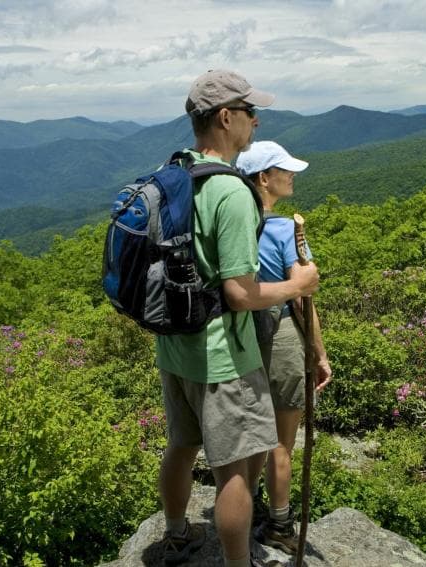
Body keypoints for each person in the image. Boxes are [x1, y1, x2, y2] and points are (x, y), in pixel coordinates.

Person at [156, 70, 320, 567]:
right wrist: (298, 286)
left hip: (175, 345)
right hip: (222, 357)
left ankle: (176, 534)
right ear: (226, 118)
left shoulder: (174, 173)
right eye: (251, 112)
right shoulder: (230, 192)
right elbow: (240, 292)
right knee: (232, 470)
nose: (256, 121)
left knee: (181, 446)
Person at [236, 141, 332, 555]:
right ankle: (279, 523)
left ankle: (242, 509)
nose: (292, 176)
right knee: (281, 441)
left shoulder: (232, 226)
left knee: (250, 434)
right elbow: (303, 299)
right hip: (282, 339)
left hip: (240, 339)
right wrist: (320, 354)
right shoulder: (283, 230)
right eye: (284, 170)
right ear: (264, 178)